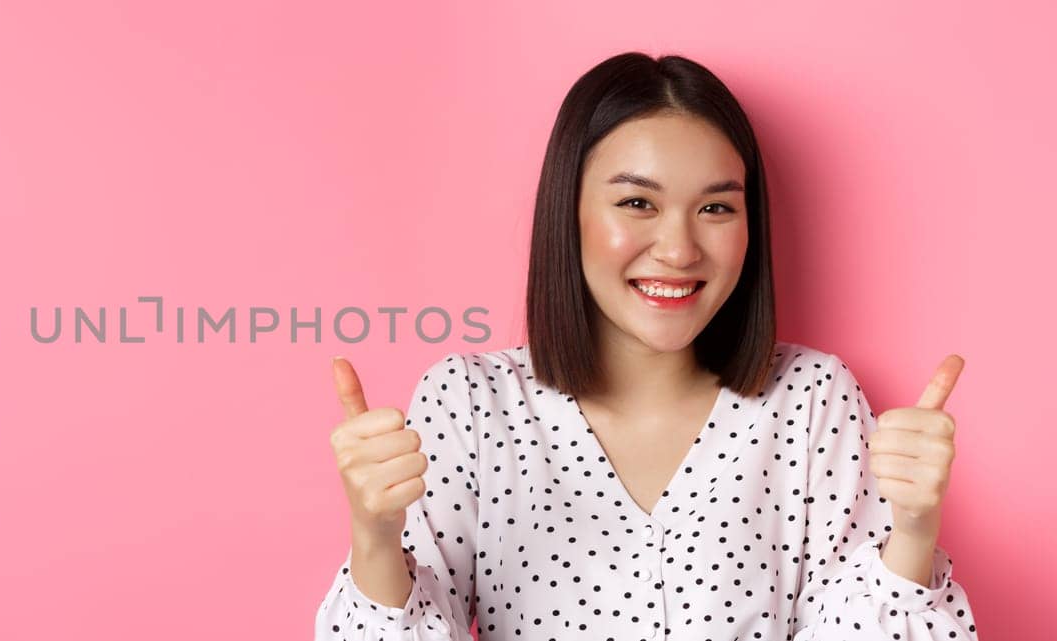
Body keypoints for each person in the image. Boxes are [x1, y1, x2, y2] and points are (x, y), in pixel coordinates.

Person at [315, 52, 979, 641]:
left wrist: (913, 533)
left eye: (716, 208)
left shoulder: (811, 401)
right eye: (637, 203)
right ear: (568, 210)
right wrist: (374, 540)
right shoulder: (472, 404)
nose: (679, 248)